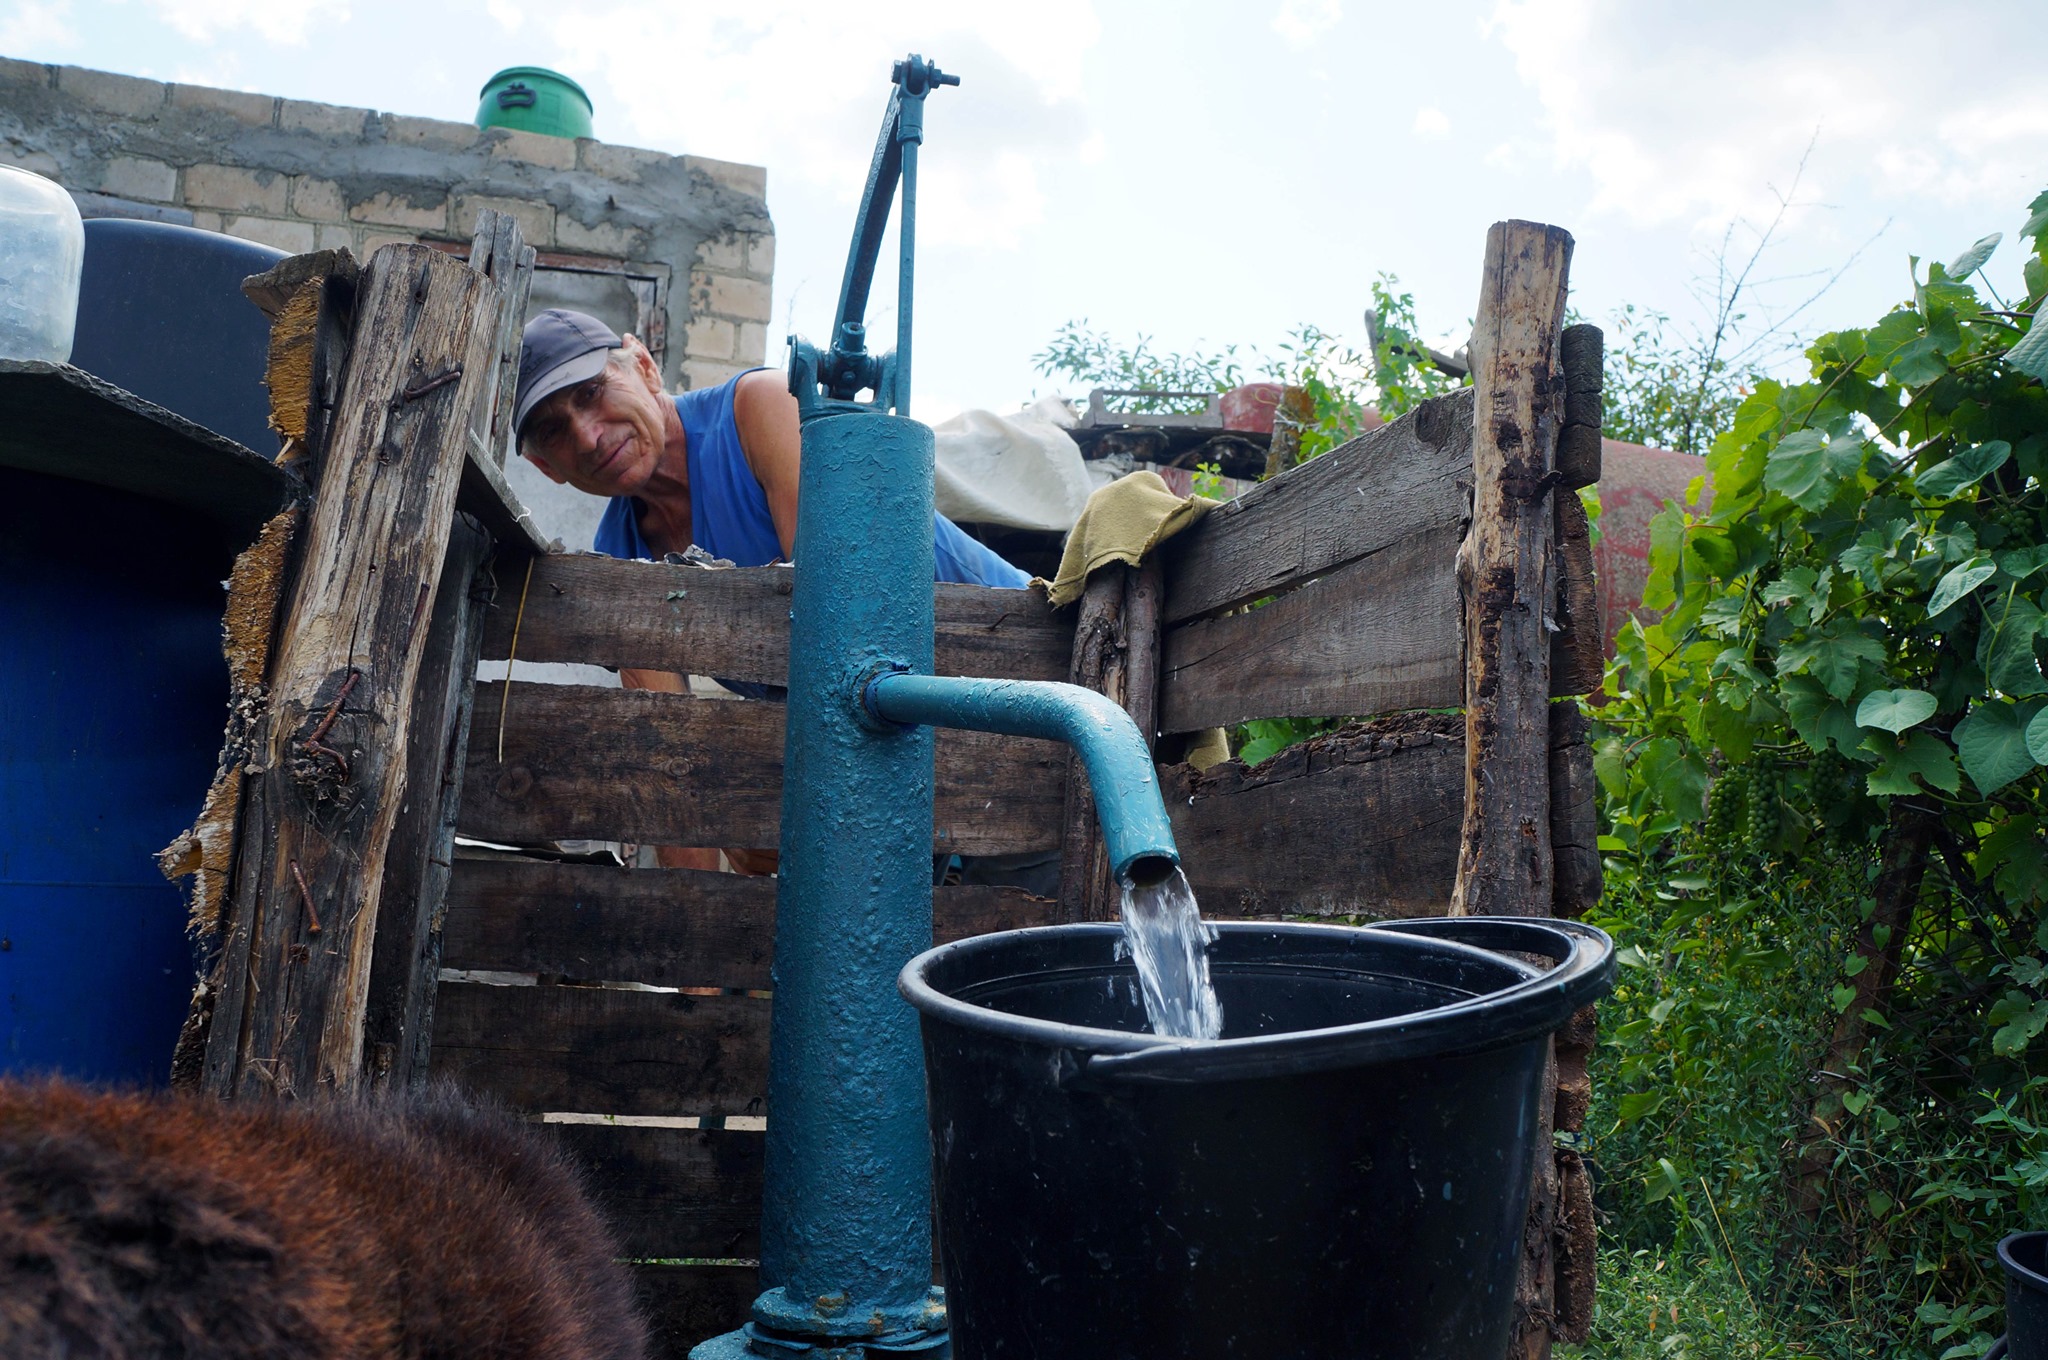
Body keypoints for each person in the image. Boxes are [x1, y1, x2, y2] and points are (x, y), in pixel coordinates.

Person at [513, 309, 1034, 876]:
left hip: (1023, 693)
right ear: (545, 467)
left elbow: (842, 642)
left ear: (644, 365)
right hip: (912, 761)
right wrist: (694, 906)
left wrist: (767, 795)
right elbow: (668, 754)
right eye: (554, 431)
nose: (588, 436)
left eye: (592, 393)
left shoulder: (758, 410)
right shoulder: (620, 555)